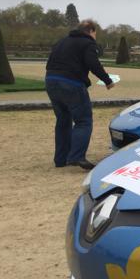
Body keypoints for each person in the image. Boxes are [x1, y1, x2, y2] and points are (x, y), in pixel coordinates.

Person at [45, 20, 114, 170]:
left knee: (63, 120)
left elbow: (49, 63)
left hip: (51, 81)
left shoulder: (62, 41)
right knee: (83, 121)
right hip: (71, 83)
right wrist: (107, 80)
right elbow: (93, 63)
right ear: (91, 31)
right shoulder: (87, 43)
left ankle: (61, 159)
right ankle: (76, 156)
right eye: (95, 33)